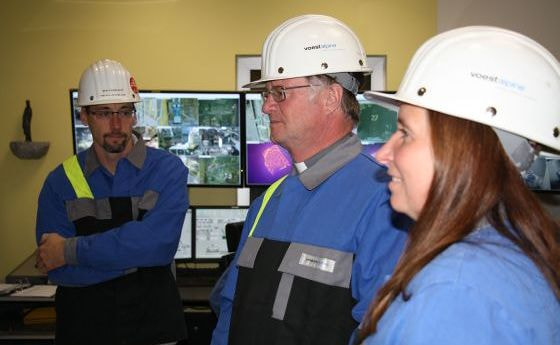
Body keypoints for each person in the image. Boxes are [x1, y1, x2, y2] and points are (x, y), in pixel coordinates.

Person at [211, 14, 407, 345]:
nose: (266, 107)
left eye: (280, 93)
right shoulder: (269, 200)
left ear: (331, 96)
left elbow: (380, 330)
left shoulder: (386, 201)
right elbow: (231, 307)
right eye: (266, 94)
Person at [359, 26, 560, 344]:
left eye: (406, 133)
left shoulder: (456, 291)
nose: (384, 154)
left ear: (465, 151)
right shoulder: (509, 252)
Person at [35, 59, 189, 345]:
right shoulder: (60, 181)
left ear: (134, 114)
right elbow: (57, 268)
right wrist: (139, 263)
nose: (117, 124)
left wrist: (69, 250)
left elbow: (158, 246)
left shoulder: (167, 170)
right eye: (104, 113)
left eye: (124, 111)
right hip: (83, 332)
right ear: (84, 115)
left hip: (155, 333)